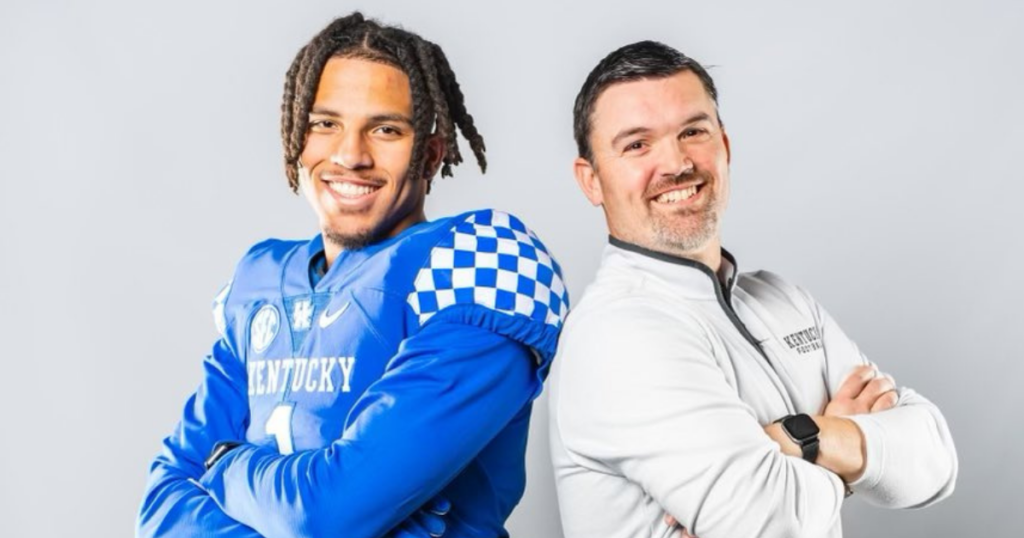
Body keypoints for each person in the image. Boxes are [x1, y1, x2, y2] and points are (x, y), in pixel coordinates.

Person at [136, 13, 569, 538]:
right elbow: (161, 509)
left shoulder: (478, 262)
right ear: (298, 136)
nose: (350, 155)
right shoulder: (257, 280)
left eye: (385, 129)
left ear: (430, 155)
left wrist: (225, 464)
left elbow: (325, 516)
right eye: (325, 124)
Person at [549, 40, 957, 538]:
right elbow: (768, 525)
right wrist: (847, 452)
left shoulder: (782, 299)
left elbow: (935, 462)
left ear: (725, 147)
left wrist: (802, 439)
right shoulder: (617, 332)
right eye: (637, 144)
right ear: (591, 181)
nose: (676, 163)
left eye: (692, 131)